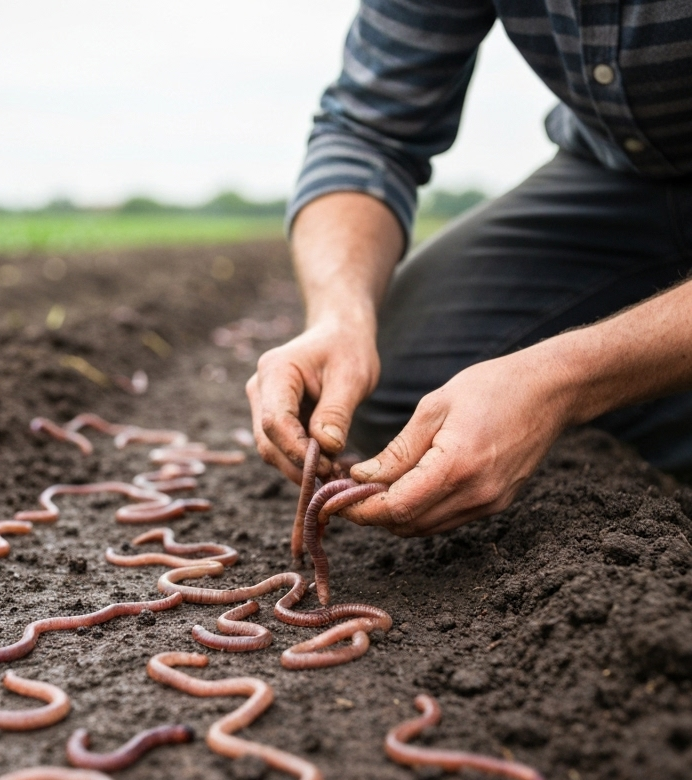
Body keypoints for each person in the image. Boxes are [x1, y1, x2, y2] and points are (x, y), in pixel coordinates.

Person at [247, 0, 692, 537]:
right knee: (402, 382)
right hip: (620, 170)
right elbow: (366, 132)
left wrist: (560, 381)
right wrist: (340, 315)